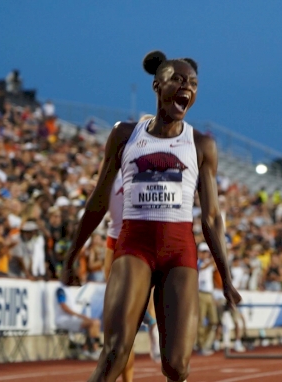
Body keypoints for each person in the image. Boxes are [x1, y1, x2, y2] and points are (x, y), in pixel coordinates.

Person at [62, 50, 241, 382]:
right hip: (134, 247)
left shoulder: (201, 144)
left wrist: (226, 276)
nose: (187, 86)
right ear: (157, 86)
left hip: (179, 252)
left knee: (176, 366)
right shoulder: (124, 135)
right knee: (115, 352)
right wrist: (72, 255)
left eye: (194, 83)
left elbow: (212, 217)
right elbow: (98, 200)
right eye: (178, 79)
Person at [101, 114, 162, 382]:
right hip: (116, 242)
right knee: (118, 328)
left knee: (123, 326)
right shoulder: (115, 169)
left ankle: (150, 320)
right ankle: (149, 321)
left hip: (139, 244)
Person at [54, 281, 102, 360]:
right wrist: (81, 316)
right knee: (93, 323)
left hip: (72, 319)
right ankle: (92, 349)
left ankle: (88, 349)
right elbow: (64, 307)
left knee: (96, 322)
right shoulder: (61, 289)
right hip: (63, 320)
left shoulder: (68, 290)